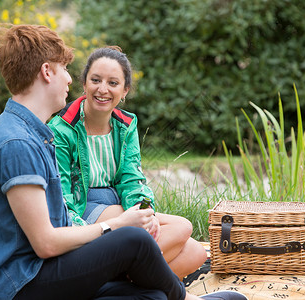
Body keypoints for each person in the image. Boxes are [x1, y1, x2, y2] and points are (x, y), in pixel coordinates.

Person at [0, 24, 247, 300]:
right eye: (64, 69)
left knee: (154, 296)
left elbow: (64, 218)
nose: (69, 79)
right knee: (133, 239)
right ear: (46, 72)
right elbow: (45, 242)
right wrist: (114, 227)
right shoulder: (18, 143)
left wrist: (117, 238)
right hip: (18, 284)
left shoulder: (32, 132)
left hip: (40, 270)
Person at [48, 46, 207, 280]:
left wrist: (145, 211)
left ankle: (120, 283)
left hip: (118, 201)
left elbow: (132, 178)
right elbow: (62, 195)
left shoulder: (126, 124)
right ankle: (119, 274)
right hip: (85, 206)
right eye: (95, 80)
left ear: (125, 91)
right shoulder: (62, 129)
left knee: (195, 253)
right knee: (182, 227)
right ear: (84, 84)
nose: (102, 89)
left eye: (113, 83)